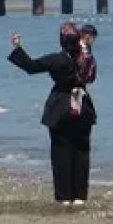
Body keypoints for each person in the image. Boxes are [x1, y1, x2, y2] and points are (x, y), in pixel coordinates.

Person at [8, 23, 98, 206]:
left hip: (60, 105)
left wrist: (17, 47)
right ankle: (80, 195)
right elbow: (91, 77)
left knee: (61, 151)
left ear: (62, 41)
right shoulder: (87, 58)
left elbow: (31, 67)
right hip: (83, 105)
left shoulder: (56, 60)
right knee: (81, 151)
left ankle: (64, 196)